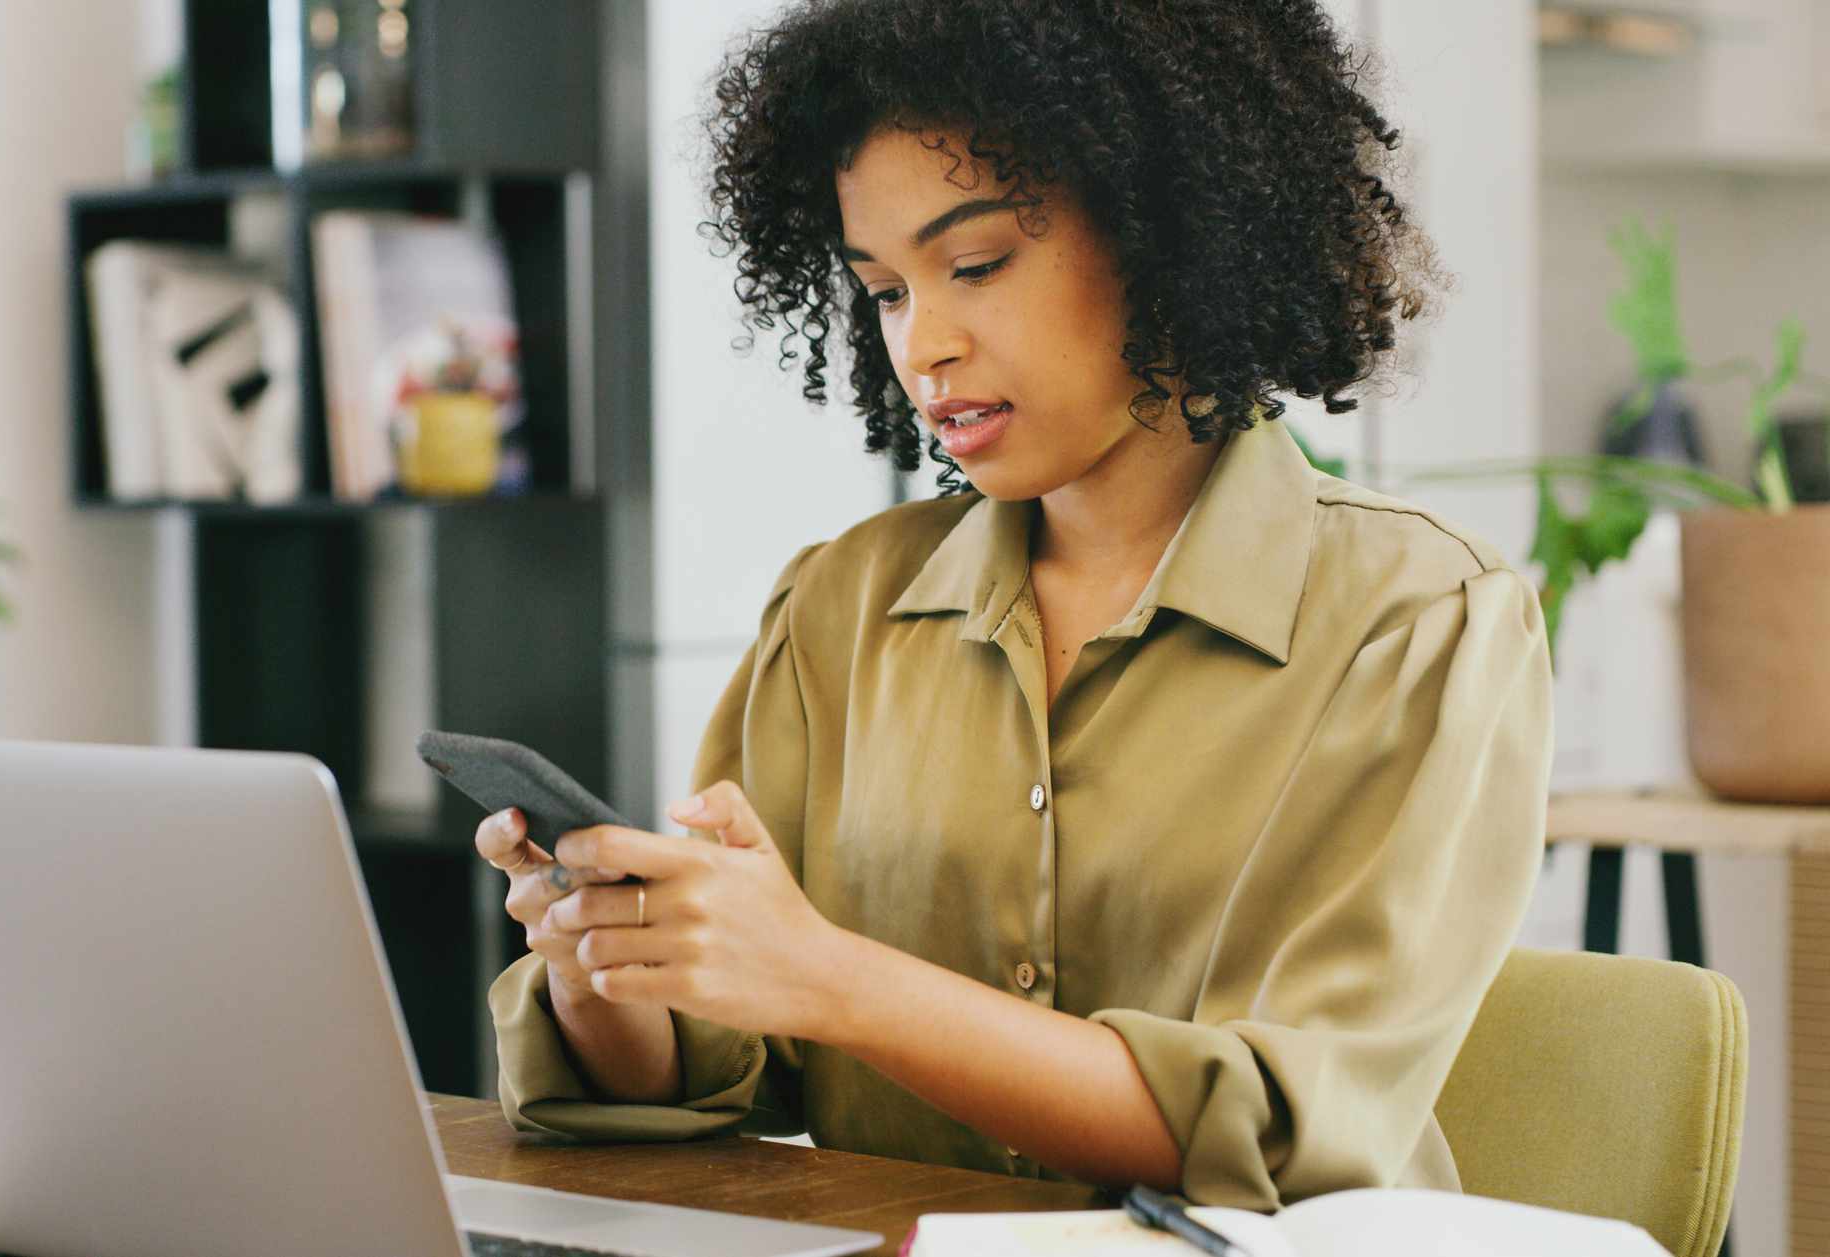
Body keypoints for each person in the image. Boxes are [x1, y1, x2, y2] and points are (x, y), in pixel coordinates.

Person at [472, 0, 1550, 1211]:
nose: (922, 345)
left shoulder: (1416, 620)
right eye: (881, 291)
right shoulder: (842, 606)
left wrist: (827, 976)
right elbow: (724, 1066)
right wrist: (608, 969)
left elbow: (1285, 1136)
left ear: (1166, 232)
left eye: (975, 265)